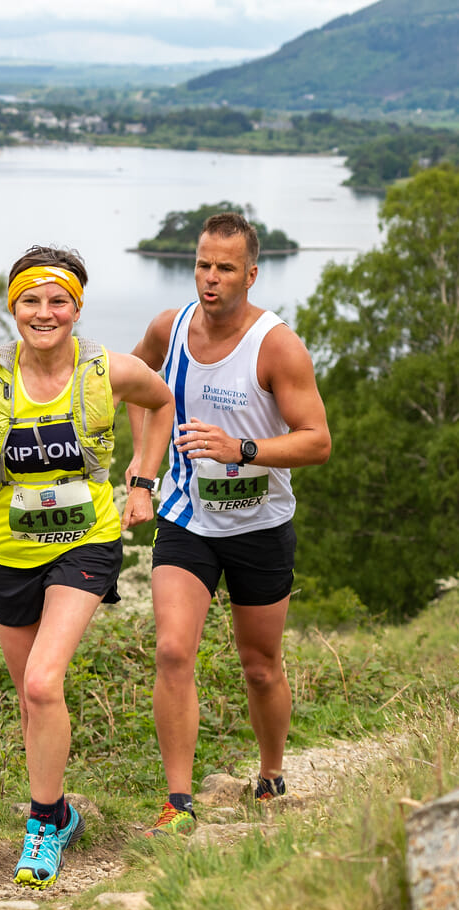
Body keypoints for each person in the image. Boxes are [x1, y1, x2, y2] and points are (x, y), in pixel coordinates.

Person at [0, 245, 174, 887]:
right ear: (13, 308)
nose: (44, 312)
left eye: (57, 300)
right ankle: (60, 811)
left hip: (86, 541)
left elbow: (161, 401)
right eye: (30, 300)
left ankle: (39, 833)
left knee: (41, 683)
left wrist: (142, 480)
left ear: (77, 307)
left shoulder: (105, 370)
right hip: (9, 550)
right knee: (31, 702)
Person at [127, 212, 331, 837]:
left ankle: (270, 775)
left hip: (260, 522)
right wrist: (143, 472)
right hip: (188, 517)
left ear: (250, 273)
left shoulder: (275, 346)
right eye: (201, 265)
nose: (210, 279)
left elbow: (317, 441)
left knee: (260, 663)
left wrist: (239, 449)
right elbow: (135, 386)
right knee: (171, 650)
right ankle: (180, 800)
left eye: (224, 268)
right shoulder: (170, 327)